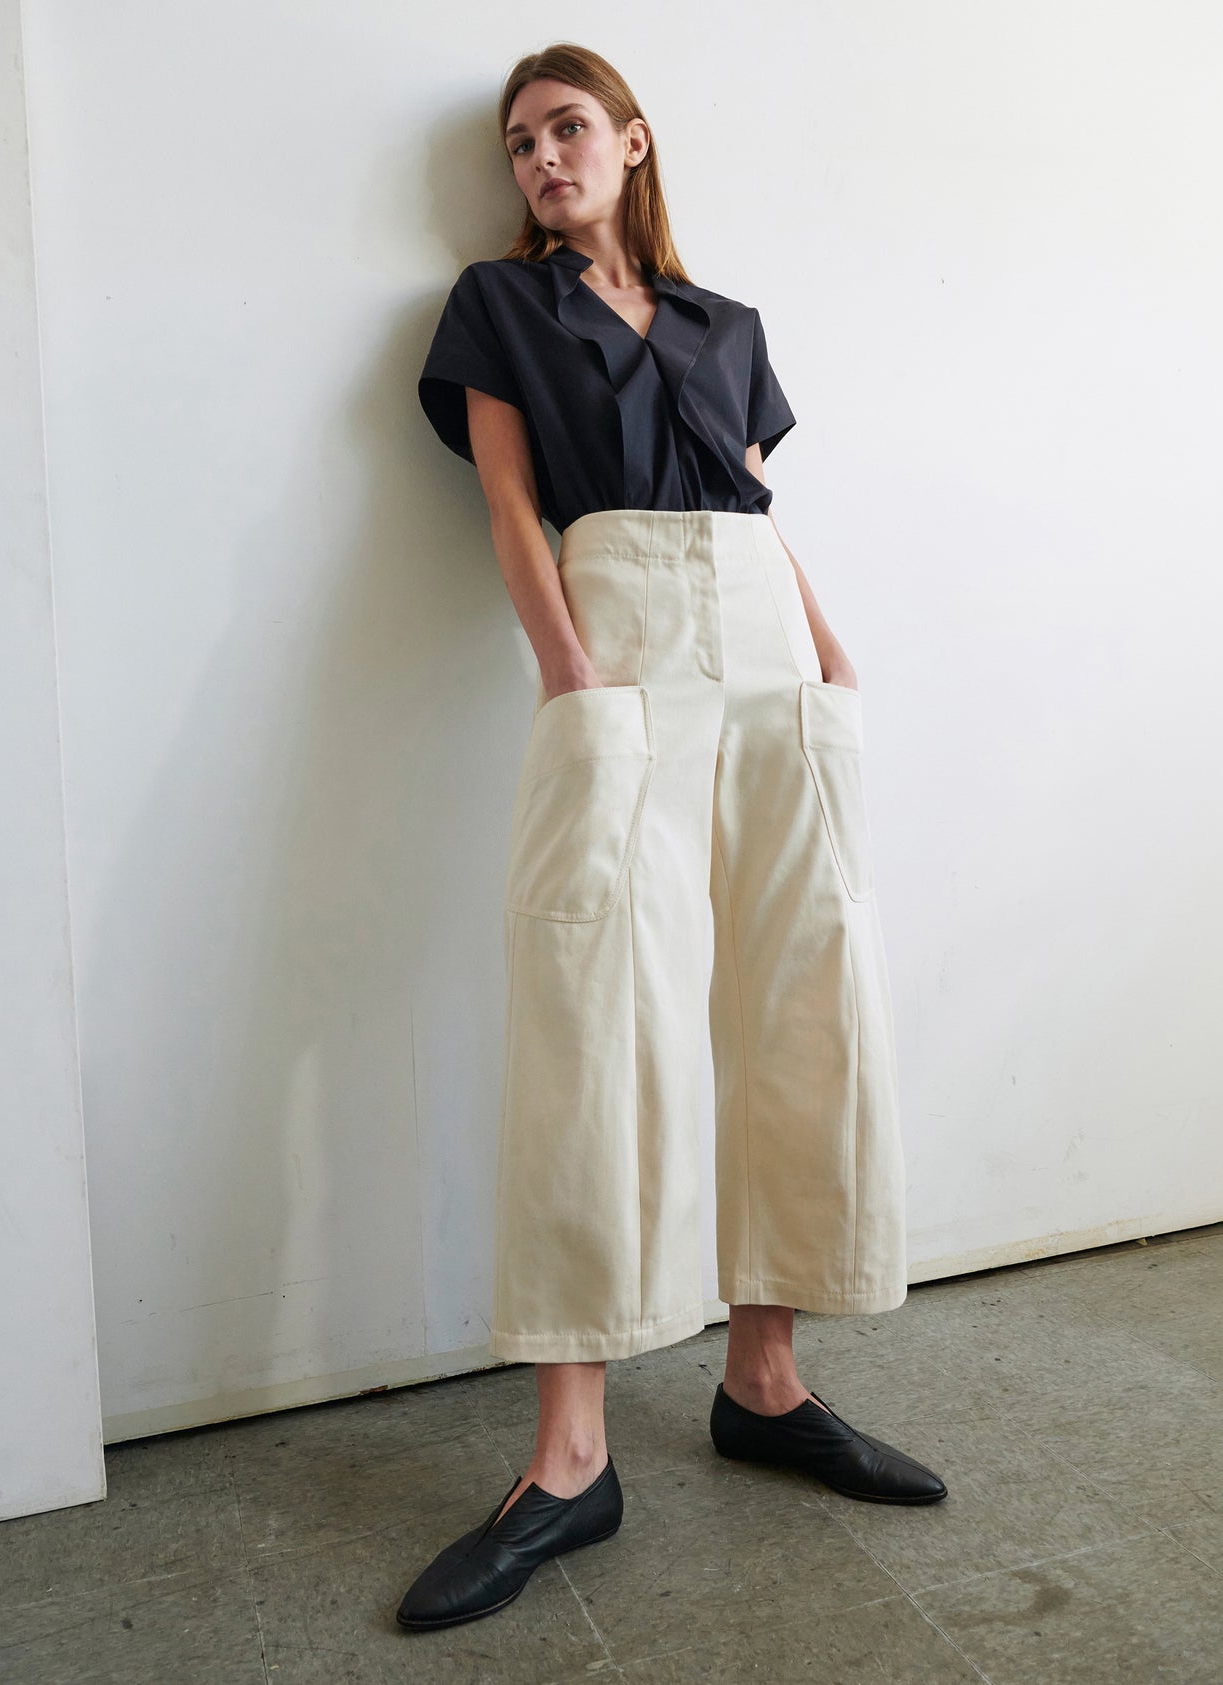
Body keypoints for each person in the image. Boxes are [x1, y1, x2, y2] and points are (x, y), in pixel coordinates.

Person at [397, 43, 947, 1633]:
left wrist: (833, 656)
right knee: (593, 1019)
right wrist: (569, 668)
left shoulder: (729, 328)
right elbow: (510, 505)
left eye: (568, 129)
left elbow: (761, 508)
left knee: (805, 999)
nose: (542, 158)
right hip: (619, 635)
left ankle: (764, 1381)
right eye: (519, 144)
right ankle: (570, 1458)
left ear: (633, 143)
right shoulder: (498, 309)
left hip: (775, 655)